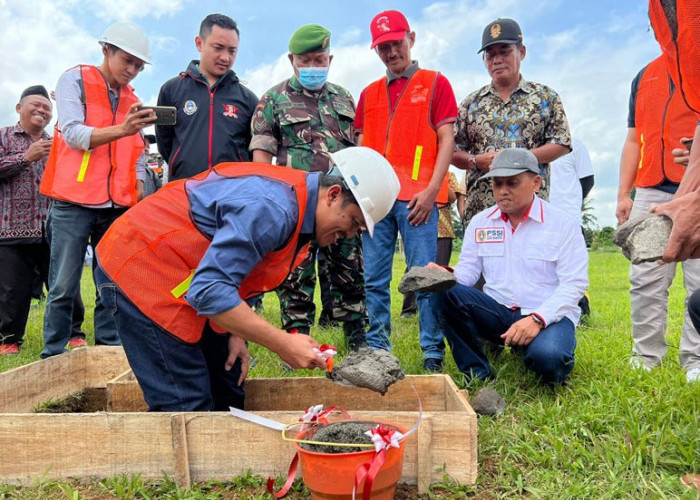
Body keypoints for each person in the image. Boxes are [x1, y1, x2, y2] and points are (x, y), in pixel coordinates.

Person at [94, 147, 399, 411]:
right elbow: (210, 292)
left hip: (192, 278)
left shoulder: (304, 215)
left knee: (229, 388)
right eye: (353, 223)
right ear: (333, 195)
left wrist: (237, 332)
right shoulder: (272, 209)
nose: (348, 235)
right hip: (141, 266)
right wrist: (281, 342)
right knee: (186, 405)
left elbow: (248, 270)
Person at [39, 22, 156, 358]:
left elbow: (137, 153)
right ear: (106, 50)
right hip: (72, 202)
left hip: (116, 205)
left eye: (138, 65)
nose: (132, 70)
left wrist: (137, 195)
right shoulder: (73, 80)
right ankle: (54, 353)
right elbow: (74, 134)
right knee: (63, 284)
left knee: (111, 283)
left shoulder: (133, 99)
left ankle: (109, 349)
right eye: (127, 60)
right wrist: (123, 128)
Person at [249, 24, 367, 348]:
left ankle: (357, 342)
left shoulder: (344, 99)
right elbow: (262, 158)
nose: (313, 66)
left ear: (330, 59)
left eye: (320, 60)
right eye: (306, 60)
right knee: (296, 277)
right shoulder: (272, 100)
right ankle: (297, 341)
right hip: (298, 205)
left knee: (350, 272)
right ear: (292, 60)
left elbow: (358, 151)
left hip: (341, 205)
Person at [354, 9, 458, 371]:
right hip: (377, 201)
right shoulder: (367, 95)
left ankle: (432, 353)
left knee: (424, 276)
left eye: (396, 43)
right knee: (374, 277)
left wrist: (432, 191)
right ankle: (378, 349)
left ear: (410, 38)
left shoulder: (435, 83)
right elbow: (361, 148)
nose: (391, 52)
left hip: (418, 200)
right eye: (382, 47)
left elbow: (447, 139)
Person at [431, 149, 588, 384]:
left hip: (547, 315)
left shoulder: (562, 224)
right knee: (442, 291)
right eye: (497, 184)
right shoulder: (481, 222)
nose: (503, 191)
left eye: (512, 183)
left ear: (536, 182)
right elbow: (468, 271)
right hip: (498, 310)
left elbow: (574, 285)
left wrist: (537, 319)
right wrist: (445, 274)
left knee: (550, 361)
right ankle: (477, 373)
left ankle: (534, 346)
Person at [615, 55, 699, 382]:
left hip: (695, 183)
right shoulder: (644, 75)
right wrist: (624, 193)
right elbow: (632, 138)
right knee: (645, 276)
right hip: (650, 186)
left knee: (699, 277)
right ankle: (646, 355)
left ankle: (696, 360)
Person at [453, 18, 571, 226]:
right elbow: (453, 151)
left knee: (533, 258)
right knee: (482, 259)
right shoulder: (470, 104)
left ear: (522, 52)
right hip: (483, 210)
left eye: (504, 51)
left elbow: (561, 143)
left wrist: (517, 159)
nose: (497, 59)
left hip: (531, 209)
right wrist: (476, 161)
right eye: (490, 55)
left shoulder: (545, 97)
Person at [156, 13, 258, 181]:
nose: (225, 57)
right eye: (218, 48)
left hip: (232, 193)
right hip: (184, 189)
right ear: (199, 43)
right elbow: (165, 142)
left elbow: (253, 148)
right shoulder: (171, 90)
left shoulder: (248, 99)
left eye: (232, 51)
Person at [0, 86, 53, 355]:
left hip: (51, 228)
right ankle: (9, 341)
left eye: (47, 107)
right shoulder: (3, 136)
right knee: (12, 289)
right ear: (19, 107)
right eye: (36, 104)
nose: (42, 110)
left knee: (60, 284)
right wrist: (25, 157)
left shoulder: (56, 143)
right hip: (10, 228)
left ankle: (74, 334)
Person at [401, 172, 460, 318]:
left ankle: (435, 308)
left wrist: (438, 180)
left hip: (443, 230)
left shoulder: (449, 174)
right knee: (414, 267)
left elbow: (452, 197)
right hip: (420, 225)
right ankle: (408, 308)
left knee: (439, 270)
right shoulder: (417, 172)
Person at [550, 138, 595, 316]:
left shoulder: (574, 145)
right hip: (536, 218)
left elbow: (587, 180)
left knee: (571, 271)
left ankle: (580, 310)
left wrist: (572, 203)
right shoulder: (529, 145)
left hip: (569, 218)